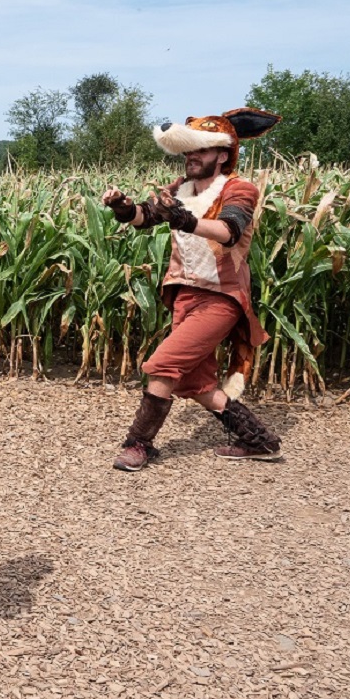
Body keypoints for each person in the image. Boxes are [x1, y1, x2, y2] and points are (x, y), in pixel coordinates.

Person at [100, 107, 284, 472]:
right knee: (197, 382)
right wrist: (124, 207)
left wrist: (184, 219)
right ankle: (259, 440)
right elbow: (144, 218)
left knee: (163, 365)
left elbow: (229, 231)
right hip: (184, 295)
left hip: (221, 298)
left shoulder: (238, 189)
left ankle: (139, 443)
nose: (191, 158)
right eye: (188, 151)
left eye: (200, 151)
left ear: (222, 153)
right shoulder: (178, 189)